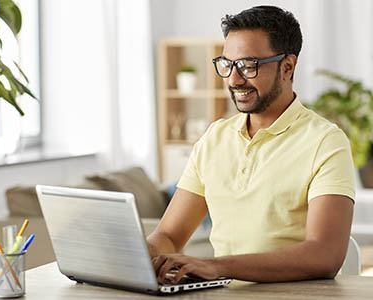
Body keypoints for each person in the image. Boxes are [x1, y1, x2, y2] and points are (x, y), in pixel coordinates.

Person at [147, 5, 355, 283]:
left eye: (248, 66)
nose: (233, 79)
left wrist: (218, 266)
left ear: (288, 67)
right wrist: (139, 254)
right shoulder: (214, 138)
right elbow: (170, 235)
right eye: (228, 64)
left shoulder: (326, 142)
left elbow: (325, 254)